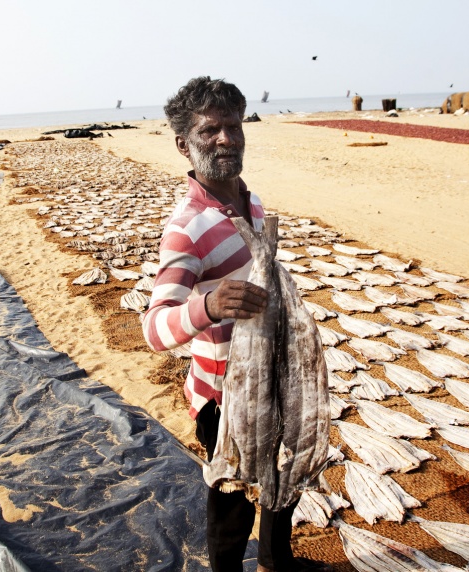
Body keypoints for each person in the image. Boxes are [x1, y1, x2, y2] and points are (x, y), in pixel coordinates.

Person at [141, 77, 333, 572]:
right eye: (210, 131)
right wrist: (209, 306)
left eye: (233, 126)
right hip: (221, 392)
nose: (225, 139)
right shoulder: (187, 228)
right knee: (231, 493)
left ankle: (275, 559)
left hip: (273, 377)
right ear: (184, 144)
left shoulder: (251, 203)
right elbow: (155, 329)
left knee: (278, 472)